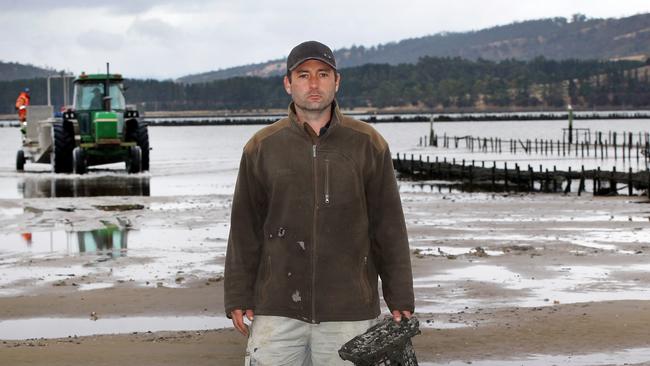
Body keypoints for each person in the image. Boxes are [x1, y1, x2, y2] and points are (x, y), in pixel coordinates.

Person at [224, 40, 414, 365]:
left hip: (349, 311)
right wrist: (238, 295)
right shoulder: (261, 147)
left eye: (323, 74)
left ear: (336, 82)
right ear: (288, 83)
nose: (313, 84)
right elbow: (245, 229)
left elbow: (389, 227)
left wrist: (399, 295)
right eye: (303, 75)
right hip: (277, 310)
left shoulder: (368, 144)